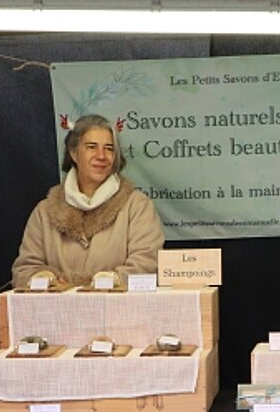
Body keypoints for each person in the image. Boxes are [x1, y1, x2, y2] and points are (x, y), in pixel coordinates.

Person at [12, 114, 165, 289]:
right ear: (74, 153)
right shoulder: (44, 211)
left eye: (109, 148)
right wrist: (44, 279)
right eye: (92, 147)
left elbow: (147, 264)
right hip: (57, 314)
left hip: (119, 312)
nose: (102, 156)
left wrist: (111, 281)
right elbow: (23, 271)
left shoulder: (137, 206)